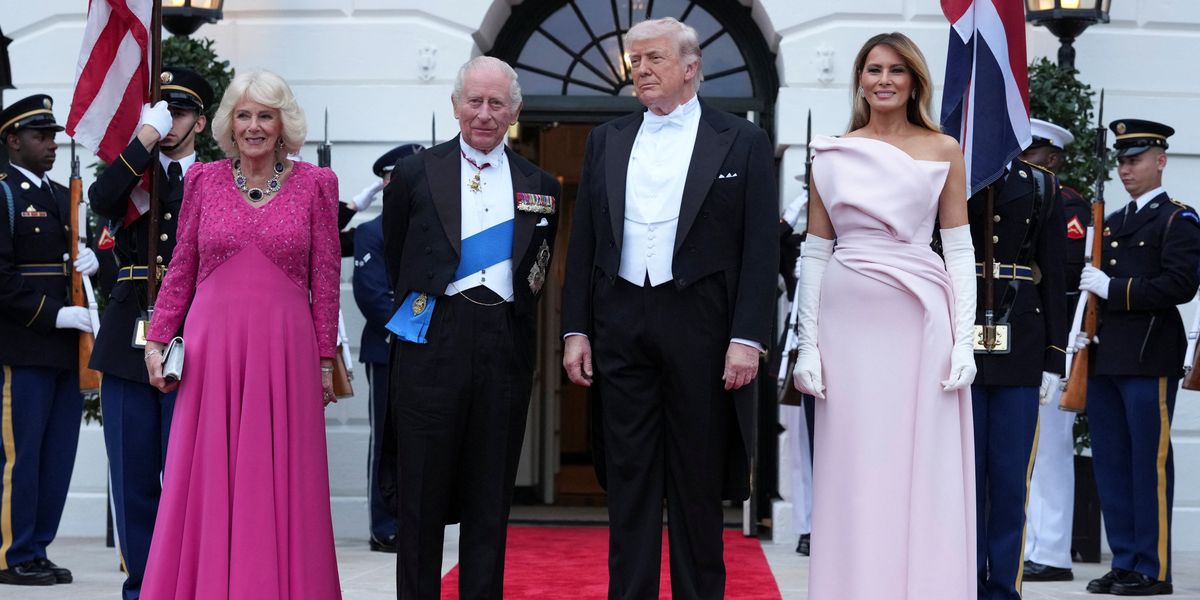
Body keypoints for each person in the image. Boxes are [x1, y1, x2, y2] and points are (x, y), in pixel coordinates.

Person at [561, 17, 777, 599]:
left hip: (702, 324)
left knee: (697, 481)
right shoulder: (607, 138)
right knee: (629, 482)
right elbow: (582, 242)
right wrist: (575, 330)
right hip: (620, 320)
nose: (643, 70)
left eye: (654, 59)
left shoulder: (743, 140)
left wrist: (748, 337)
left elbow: (760, 248)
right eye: (636, 61)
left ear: (690, 66)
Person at [139, 70, 342, 600]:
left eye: (266, 115)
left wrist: (324, 360)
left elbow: (325, 278)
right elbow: (181, 265)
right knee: (205, 472)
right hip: (212, 350)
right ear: (231, 123)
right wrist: (158, 340)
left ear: (283, 124)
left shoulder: (317, 184)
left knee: (282, 478)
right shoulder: (203, 181)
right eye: (245, 115)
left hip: (286, 348)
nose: (254, 126)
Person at [790, 32, 978, 600]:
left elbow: (961, 249)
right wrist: (807, 344)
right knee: (855, 466)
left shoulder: (944, 149)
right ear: (860, 80)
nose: (884, 79)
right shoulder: (833, 151)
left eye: (896, 70)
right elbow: (816, 251)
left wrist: (964, 341)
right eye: (873, 69)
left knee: (918, 461)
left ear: (914, 80)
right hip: (846, 325)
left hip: (920, 319)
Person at [382, 56, 560, 599]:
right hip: (432, 340)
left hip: (503, 343)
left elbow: (539, 270)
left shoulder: (540, 183)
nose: (484, 113)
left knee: (489, 497)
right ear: (455, 105)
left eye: (496, 104)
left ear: (515, 112)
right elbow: (397, 255)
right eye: (475, 102)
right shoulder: (416, 173)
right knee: (421, 499)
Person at [87, 66, 214, 600]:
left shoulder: (216, 179)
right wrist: (142, 139)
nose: (169, 120)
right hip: (127, 340)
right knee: (133, 479)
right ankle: (142, 587)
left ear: (201, 122)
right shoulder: (134, 173)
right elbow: (101, 198)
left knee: (191, 480)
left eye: (179, 112)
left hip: (194, 340)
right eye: (163, 110)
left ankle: (190, 584)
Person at [1070, 119, 1200, 596]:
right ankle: (1125, 560)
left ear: (1161, 161)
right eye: (1121, 161)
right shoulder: (1113, 222)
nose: (1126, 169)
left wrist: (1114, 289)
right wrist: (1085, 329)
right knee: (1111, 463)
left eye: (1136, 160)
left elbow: (1180, 285)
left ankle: (1154, 567)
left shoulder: (1177, 219)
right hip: (1106, 360)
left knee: (1150, 463)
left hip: (1148, 358)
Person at [0, 94, 99, 587]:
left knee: (57, 455)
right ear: (13, 140)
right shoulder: (4, 196)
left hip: (64, 350)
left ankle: (37, 547)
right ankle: (10, 553)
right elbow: (1, 280)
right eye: (40, 136)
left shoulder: (65, 197)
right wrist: (56, 314)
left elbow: (87, 252)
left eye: (53, 136)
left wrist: (96, 261)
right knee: (21, 456)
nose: (50, 145)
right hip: (23, 346)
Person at [968, 151, 1068, 600]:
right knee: (963, 483)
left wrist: (1053, 357)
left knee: (1010, 482)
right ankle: (961, 583)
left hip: (1022, 344)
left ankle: (1004, 589)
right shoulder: (949, 170)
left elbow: (1055, 275)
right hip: (956, 341)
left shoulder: (1041, 185)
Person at [1021, 117, 1086, 583]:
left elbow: (1060, 274)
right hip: (1028, 336)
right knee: (1027, 450)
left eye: (1034, 156)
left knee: (1051, 451)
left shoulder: (1068, 206)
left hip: (1057, 339)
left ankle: (1054, 551)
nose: (1025, 164)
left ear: (1053, 159)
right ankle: (1036, 545)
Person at [352, 142, 423, 554]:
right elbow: (372, 295)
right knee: (386, 439)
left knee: (425, 439)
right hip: (389, 348)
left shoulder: (435, 225)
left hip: (431, 349)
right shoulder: (371, 232)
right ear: (386, 182)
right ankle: (385, 524)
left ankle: (417, 520)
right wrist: (415, 330)